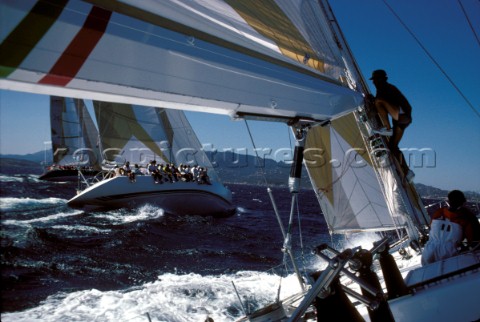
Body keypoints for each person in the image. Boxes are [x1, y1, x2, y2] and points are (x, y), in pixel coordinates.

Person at [369, 69, 414, 182]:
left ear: (381, 79)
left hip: (401, 116)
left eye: (375, 80)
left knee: (378, 102)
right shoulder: (385, 88)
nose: (374, 82)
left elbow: (378, 106)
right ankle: (407, 171)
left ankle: (387, 129)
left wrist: (371, 104)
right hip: (403, 120)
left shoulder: (386, 88)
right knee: (393, 147)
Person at [421, 190, 480, 265]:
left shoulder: (438, 212)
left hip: (428, 250)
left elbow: (432, 227)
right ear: (462, 202)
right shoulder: (467, 217)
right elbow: (474, 239)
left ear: (449, 201)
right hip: (449, 252)